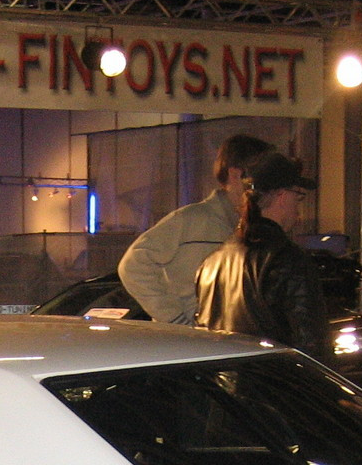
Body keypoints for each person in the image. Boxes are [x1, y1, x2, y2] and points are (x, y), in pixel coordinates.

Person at [117, 133, 273, 325]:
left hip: (224, 338)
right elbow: (133, 266)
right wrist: (177, 320)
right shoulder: (191, 221)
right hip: (197, 341)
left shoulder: (251, 224)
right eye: (260, 177)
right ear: (235, 174)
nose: (266, 186)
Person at [193, 152, 330, 363]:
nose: (299, 208)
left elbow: (203, 335)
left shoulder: (212, 263)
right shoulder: (287, 259)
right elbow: (310, 346)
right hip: (273, 388)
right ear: (282, 195)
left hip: (224, 388)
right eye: (299, 196)